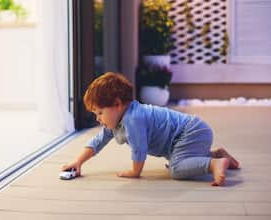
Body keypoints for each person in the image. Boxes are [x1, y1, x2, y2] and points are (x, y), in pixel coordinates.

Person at [61, 72, 239, 186]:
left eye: (99, 112)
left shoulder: (133, 118)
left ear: (116, 104)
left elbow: (140, 149)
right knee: (176, 159)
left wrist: (135, 172)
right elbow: (97, 142)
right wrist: (78, 162)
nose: (98, 118)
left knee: (176, 169)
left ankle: (214, 163)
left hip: (190, 131)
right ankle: (216, 154)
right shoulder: (116, 121)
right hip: (188, 135)